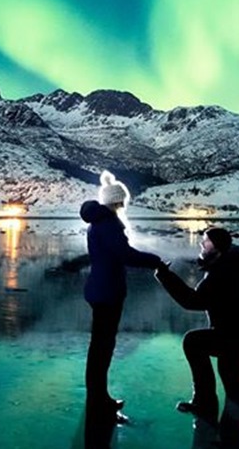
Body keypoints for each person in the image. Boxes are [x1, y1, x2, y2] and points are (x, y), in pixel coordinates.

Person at [80, 170, 164, 419]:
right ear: (117, 201)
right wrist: (156, 260)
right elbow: (125, 254)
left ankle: (97, 397)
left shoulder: (101, 223)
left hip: (100, 288)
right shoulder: (108, 224)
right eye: (123, 200)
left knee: (100, 346)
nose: (124, 204)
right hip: (107, 292)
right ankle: (99, 400)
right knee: (102, 348)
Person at [154, 227, 239, 423]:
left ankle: (204, 403)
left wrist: (164, 275)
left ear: (218, 247)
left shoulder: (221, 272)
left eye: (207, 241)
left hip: (235, 338)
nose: (202, 244)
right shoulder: (227, 266)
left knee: (193, 342)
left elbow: (192, 301)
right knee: (234, 388)